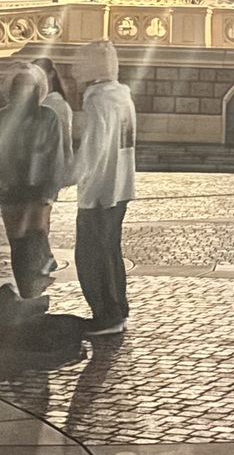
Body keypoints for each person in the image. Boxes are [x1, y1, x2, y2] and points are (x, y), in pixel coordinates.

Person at [73, 39, 136, 337]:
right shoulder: (121, 96)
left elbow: (93, 149)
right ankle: (117, 309)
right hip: (119, 186)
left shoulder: (97, 99)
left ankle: (106, 315)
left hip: (99, 192)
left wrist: (68, 177)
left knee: (90, 255)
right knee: (110, 251)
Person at [0, 64, 64, 298]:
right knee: (18, 246)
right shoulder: (2, 117)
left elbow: (56, 157)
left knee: (35, 243)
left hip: (38, 193)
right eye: (19, 85)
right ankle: (27, 296)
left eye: (28, 85)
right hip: (11, 192)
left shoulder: (48, 118)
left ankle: (35, 295)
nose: (23, 90)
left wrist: (49, 193)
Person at [34, 57, 75, 273]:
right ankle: (43, 255)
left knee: (41, 216)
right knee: (39, 215)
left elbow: (62, 142)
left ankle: (44, 256)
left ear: (50, 75)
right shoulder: (45, 103)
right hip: (42, 168)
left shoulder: (55, 105)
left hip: (48, 168)